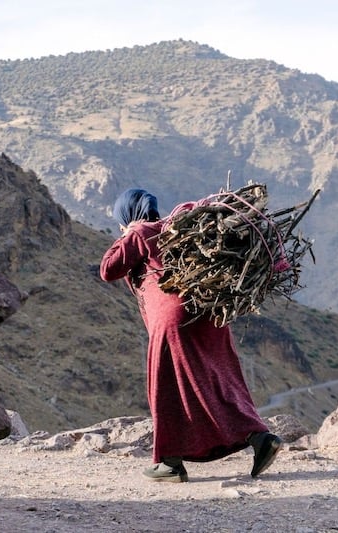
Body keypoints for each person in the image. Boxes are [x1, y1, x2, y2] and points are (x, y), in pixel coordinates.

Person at [100, 188, 281, 482]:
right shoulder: (173, 229)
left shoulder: (141, 231)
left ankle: (170, 462)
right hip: (208, 314)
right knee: (219, 382)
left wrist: (128, 231)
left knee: (167, 387)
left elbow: (108, 269)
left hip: (172, 321)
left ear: (127, 214)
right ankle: (260, 439)